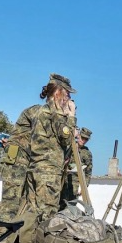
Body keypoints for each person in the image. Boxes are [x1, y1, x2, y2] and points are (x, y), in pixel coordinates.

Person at [23, 73, 77, 222]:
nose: (68, 99)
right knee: (47, 217)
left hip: (36, 167)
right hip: (48, 172)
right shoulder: (55, 112)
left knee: (33, 216)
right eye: (67, 94)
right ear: (58, 92)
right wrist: (71, 117)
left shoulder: (41, 110)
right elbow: (65, 139)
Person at [0, 103, 42, 221]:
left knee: (21, 199)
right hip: (16, 156)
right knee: (11, 200)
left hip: (24, 157)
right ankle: (3, 234)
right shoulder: (38, 110)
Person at [60, 126, 93, 206]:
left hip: (75, 183)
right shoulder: (68, 146)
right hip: (62, 179)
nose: (83, 141)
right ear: (78, 136)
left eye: (86, 139)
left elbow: (88, 172)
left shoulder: (87, 153)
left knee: (71, 206)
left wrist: (84, 187)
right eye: (82, 138)